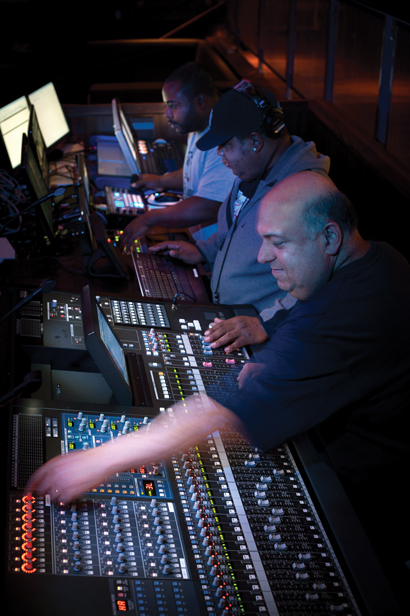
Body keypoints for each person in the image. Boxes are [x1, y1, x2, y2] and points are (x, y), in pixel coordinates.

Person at [28, 172, 410, 612]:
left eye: (279, 242)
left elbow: (221, 409)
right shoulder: (380, 258)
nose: (265, 255)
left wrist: (101, 457)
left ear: (329, 237)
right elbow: (309, 321)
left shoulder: (343, 317)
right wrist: (266, 327)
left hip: (367, 504)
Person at [144, 79, 330, 315]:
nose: (220, 154)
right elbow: (234, 233)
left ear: (255, 141)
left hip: (262, 334)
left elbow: (317, 287)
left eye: (225, 145)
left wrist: (262, 324)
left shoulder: (307, 192)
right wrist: (203, 252)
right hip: (230, 318)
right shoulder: (250, 170)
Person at [120, 62, 233, 244]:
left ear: (201, 101)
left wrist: (149, 218)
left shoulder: (224, 139)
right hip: (201, 243)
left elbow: (208, 205)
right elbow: (194, 172)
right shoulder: (198, 125)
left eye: (173, 105)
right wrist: (160, 181)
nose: (167, 113)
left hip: (218, 251)